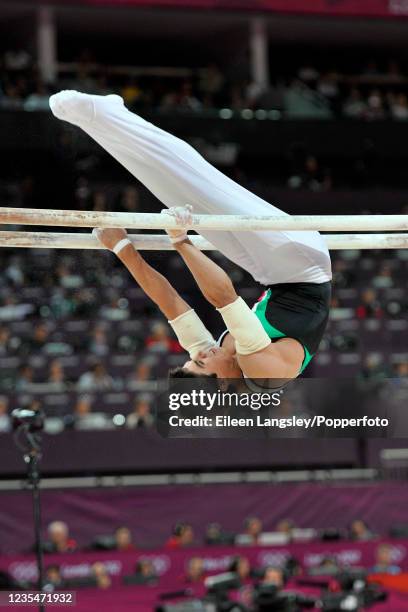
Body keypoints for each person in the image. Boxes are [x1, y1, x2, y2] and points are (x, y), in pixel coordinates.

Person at [49, 90, 332, 383]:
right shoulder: (261, 374)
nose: (200, 355)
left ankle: (103, 117)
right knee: (203, 186)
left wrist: (122, 248)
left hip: (271, 272)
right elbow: (224, 295)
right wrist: (181, 241)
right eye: (201, 362)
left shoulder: (217, 357)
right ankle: (103, 114)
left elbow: (169, 301)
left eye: (193, 359)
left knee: (171, 189)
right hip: (302, 260)